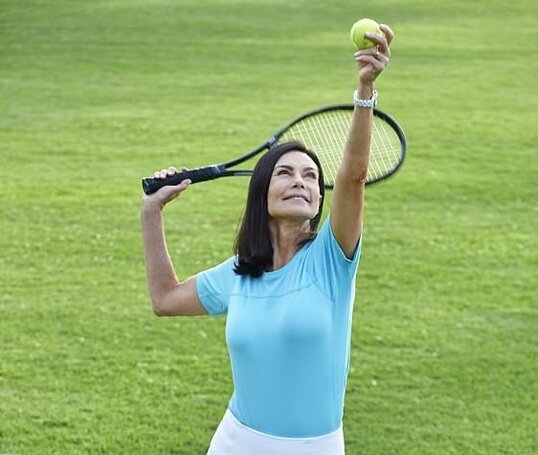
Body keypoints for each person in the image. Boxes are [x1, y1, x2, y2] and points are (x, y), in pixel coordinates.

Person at [141, 23, 394, 455]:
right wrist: (152, 212)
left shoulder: (332, 260)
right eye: (285, 173)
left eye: (311, 176)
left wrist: (365, 91)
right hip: (235, 442)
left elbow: (352, 176)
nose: (300, 181)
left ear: (320, 198)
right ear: (263, 192)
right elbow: (165, 299)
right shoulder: (240, 273)